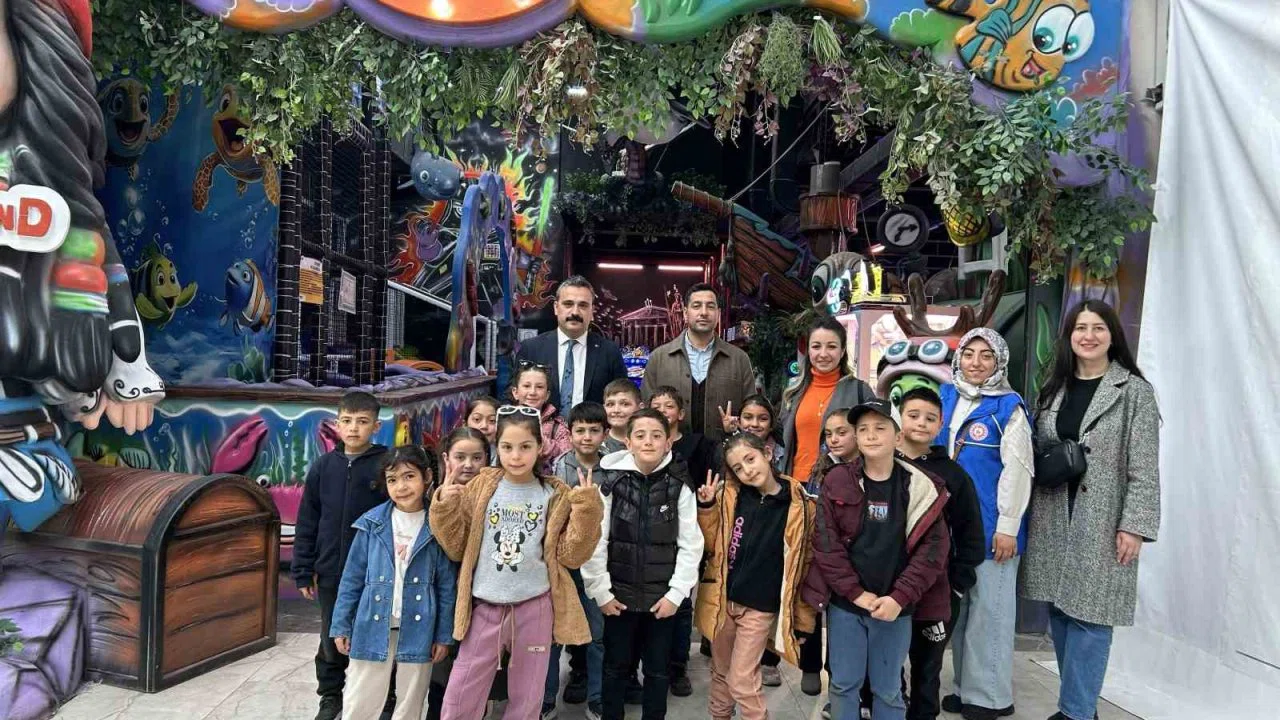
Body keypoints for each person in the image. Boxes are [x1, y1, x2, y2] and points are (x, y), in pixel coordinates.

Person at [1020, 300, 1161, 720]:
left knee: (1092, 616)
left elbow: (1144, 467)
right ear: (1069, 336)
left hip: (1102, 518)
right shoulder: (1054, 387)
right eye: (1080, 328)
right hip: (1052, 513)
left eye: (1098, 327)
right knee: (1060, 609)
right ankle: (1078, 708)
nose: (1089, 336)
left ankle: (1076, 712)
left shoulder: (1133, 392)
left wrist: (1134, 525)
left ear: (1112, 335)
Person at [430, 406, 604, 720]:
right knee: (461, 692)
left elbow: (571, 555)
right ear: (497, 447)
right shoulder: (481, 486)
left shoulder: (554, 493)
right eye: (507, 446)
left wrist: (587, 509)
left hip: (535, 608)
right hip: (484, 607)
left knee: (528, 696)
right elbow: (456, 547)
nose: (516, 455)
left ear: (541, 446)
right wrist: (445, 503)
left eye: (525, 446)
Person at [803, 400, 950, 720]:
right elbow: (826, 544)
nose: (870, 435)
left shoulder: (921, 485)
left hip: (895, 607)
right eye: (863, 429)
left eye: (880, 428)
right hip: (847, 605)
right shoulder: (837, 480)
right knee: (843, 685)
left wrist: (900, 597)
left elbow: (933, 551)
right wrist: (855, 592)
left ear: (898, 437)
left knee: (888, 689)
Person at [936, 328, 1033, 720]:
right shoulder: (944, 397)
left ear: (999, 362)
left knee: (990, 613)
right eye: (969, 353)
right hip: (949, 525)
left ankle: (990, 697)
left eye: (986, 355)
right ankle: (965, 687)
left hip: (993, 527)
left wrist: (1008, 525)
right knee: (960, 612)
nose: (976, 362)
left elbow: (1018, 470)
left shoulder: (1008, 407)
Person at [584, 408, 705, 720]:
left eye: (656, 435)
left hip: (661, 601)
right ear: (628, 442)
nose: (648, 442)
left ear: (668, 443)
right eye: (640, 435)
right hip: (618, 598)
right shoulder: (610, 482)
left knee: (657, 671)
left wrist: (676, 594)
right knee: (615, 668)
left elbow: (691, 544)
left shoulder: (680, 485)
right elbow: (596, 540)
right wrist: (601, 592)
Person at [779, 316, 874, 697]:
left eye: (831, 346)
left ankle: (840, 665)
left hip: (843, 493)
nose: (823, 353)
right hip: (799, 492)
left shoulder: (858, 390)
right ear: (807, 350)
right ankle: (809, 662)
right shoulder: (793, 390)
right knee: (805, 576)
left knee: (841, 576)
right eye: (816, 346)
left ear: (843, 350)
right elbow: (784, 440)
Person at [695, 433, 817, 720]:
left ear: (768, 453)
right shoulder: (729, 497)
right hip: (723, 600)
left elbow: (805, 566)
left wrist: (803, 620)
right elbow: (710, 545)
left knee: (742, 679)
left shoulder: (800, 505)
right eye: (738, 468)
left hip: (760, 607)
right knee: (721, 672)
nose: (747, 470)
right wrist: (707, 508)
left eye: (750, 459)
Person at [331, 445, 456, 720]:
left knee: (411, 701)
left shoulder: (437, 525)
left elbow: (447, 587)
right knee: (360, 699)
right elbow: (351, 580)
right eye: (392, 479)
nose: (401, 486)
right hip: (371, 623)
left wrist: (443, 635)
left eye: (409, 476)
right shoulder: (371, 524)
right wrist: (341, 624)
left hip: (421, 627)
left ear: (427, 477)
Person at [293, 391, 394, 720]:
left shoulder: (385, 465)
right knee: (331, 635)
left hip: (375, 572)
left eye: (362, 422)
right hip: (331, 570)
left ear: (376, 426)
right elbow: (308, 519)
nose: (353, 428)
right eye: (347, 421)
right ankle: (330, 696)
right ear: (336, 424)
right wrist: (303, 568)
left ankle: (385, 697)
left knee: (378, 633)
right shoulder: (323, 467)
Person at [895, 388, 986, 720]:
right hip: (888, 588)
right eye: (913, 415)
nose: (921, 423)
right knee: (887, 667)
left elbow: (970, 534)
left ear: (940, 424)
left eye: (930, 418)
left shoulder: (954, 475)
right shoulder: (883, 466)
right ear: (900, 418)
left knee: (927, 668)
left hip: (937, 592)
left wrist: (957, 584)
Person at [647, 385, 718, 696]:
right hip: (649, 537)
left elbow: (708, 482)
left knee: (681, 603)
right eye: (657, 405)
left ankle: (678, 667)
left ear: (681, 413)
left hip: (685, 532)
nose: (663, 410)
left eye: (669, 405)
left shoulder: (698, 445)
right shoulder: (645, 443)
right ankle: (651, 666)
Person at [545, 402, 610, 719]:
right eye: (580, 430)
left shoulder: (612, 467)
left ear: (605, 434)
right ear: (569, 434)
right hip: (566, 563)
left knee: (598, 635)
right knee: (555, 634)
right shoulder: (560, 467)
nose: (586, 437)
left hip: (600, 562)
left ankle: (597, 698)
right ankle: (545, 700)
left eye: (594, 431)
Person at [425, 428, 491, 720]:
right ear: (446, 459)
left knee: (475, 673)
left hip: (480, 595)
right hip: (440, 595)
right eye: (460, 457)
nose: (468, 465)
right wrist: (445, 504)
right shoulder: (432, 496)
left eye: (477, 457)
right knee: (440, 670)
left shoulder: (494, 496)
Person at [641, 283, 755, 443]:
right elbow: (646, 412)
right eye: (696, 306)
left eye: (710, 306)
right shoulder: (659, 358)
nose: (703, 312)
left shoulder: (739, 359)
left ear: (718, 313)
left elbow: (751, 411)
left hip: (724, 450)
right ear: (685, 313)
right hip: (670, 451)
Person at [517, 276, 628, 412]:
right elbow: (512, 396)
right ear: (556, 307)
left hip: (591, 425)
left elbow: (623, 398)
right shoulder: (531, 349)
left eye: (583, 305)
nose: (575, 312)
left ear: (592, 311)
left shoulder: (609, 352)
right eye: (568, 304)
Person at [510, 362, 572, 472]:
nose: (532, 392)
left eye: (539, 387)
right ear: (515, 392)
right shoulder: (502, 421)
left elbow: (568, 458)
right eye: (526, 386)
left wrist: (539, 440)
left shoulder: (558, 428)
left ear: (547, 395)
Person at [720, 394, 786, 474]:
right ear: (739, 422)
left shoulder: (782, 454)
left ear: (771, 425)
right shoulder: (729, 449)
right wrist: (728, 434)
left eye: (763, 419)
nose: (755, 424)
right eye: (748, 417)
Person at [602, 378, 641, 454]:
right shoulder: (597, 445)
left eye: (625, 404)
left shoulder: (649, 443)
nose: (616, 410)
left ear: (640, 407)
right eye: (610, 404)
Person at [465, 396, 499, 463]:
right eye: (477, 419)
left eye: (492, 420)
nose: (484, 426)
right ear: (465, 424)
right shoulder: (454, 451)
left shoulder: (503, 457)